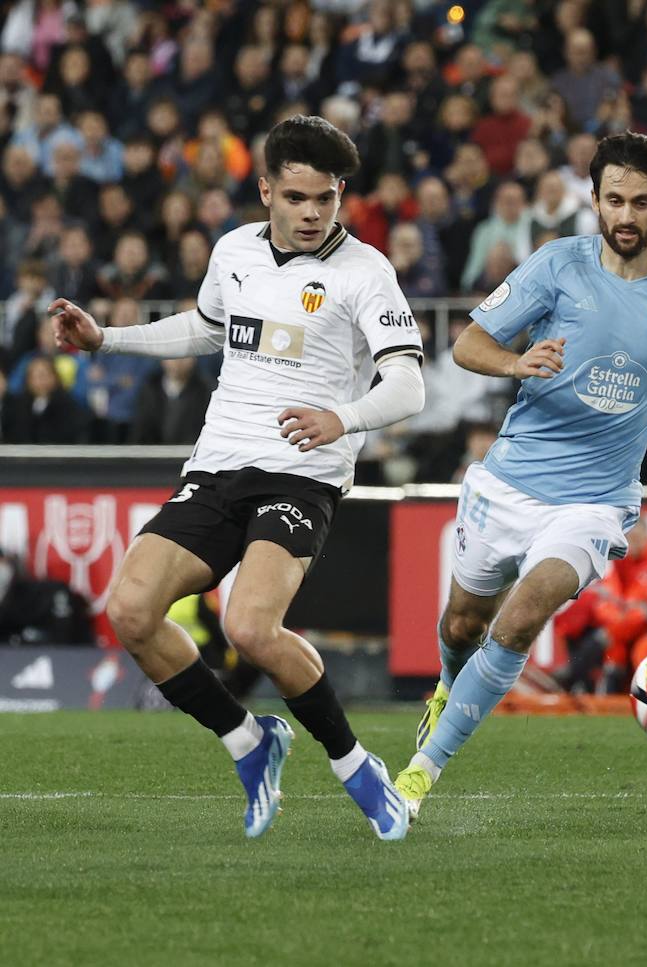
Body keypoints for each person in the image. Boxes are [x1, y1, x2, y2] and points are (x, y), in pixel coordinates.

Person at [48, 115, 423, 841]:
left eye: (327, 197)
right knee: (129, 611)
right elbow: (206, 326)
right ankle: (250, 742)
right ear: (266, 192)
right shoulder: (234, 251)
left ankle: (355, 764)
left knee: (250, 625)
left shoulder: (365, 272)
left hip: (300, 472)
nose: (313, 212)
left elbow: (408, 386)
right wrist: (108, 339)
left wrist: (340, 418)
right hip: (217, 462)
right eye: (297, 197)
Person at [394, 132, 647, 818]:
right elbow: (471, 342)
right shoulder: (555, 266)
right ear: (594, 199)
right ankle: (447, 686)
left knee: (519, 618)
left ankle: (420, 772)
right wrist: (517, 363)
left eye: (641, 203)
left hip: (594, 502)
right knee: (461, 623)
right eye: (614, 199)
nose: (625, 215)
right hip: (508, 483)